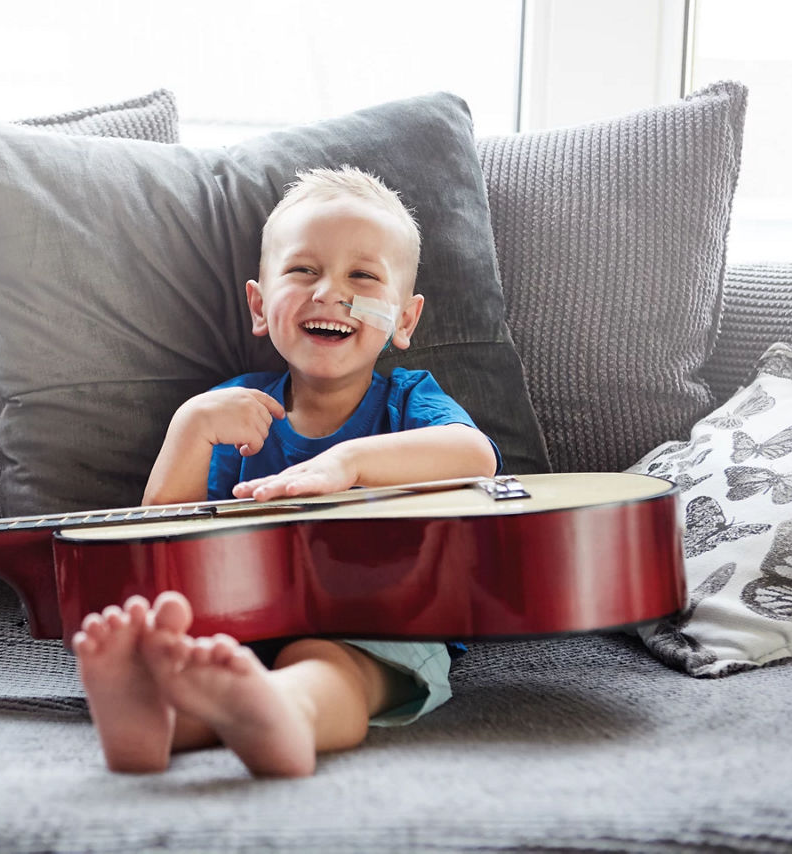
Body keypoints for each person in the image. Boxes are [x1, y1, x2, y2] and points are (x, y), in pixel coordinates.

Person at [73, 166, 501, 777]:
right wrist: (189, 428)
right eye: (303, 271)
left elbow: (473, 455)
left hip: (376, 621)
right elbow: (156, 543)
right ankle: (159, 722)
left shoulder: (410, 404)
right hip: (239, 626)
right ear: (259, 304)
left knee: (330, 667)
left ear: (403, 320)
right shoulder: (232, 410)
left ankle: (282, 714)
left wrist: (347, 463)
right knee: (192, 661)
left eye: (362, 275)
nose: (329, 292)